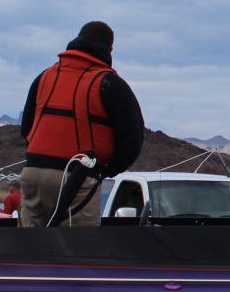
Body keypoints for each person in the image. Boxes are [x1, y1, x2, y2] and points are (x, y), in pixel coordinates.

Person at [20, 20, 144, 227]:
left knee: (30, 241)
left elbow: (26, 128)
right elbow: (132, 141)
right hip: (77, 178)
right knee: (78, 242)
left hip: (32, 172)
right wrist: (107, 170)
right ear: (109, 49)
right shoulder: (110, 83)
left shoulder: (44, 77)